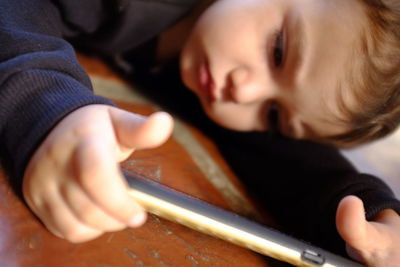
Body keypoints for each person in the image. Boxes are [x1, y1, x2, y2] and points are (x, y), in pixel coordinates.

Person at [0, 0, 399, 266]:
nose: (244, 93)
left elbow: (288, 159)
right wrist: (48, 111)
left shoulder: (225, 64)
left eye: (274, 114)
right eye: (278, 51)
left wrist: (374, 215)